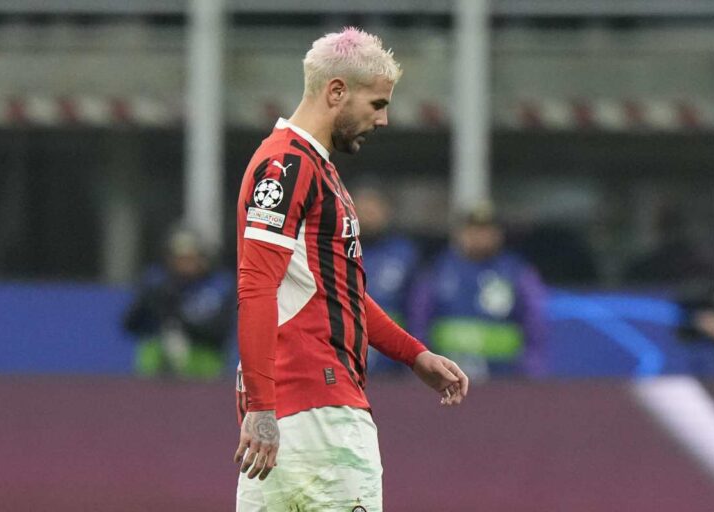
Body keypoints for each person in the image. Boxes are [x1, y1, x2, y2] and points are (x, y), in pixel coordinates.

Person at [233, 27, 469, 511]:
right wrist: (260, 406)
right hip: (318, 409)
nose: (382, 120)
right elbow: (256, 286)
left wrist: (414, 354)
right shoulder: (288, 166)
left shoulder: (313, 169)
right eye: (377, 104)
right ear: (336, 91)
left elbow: (337, 291)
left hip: (298, 409)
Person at [409, 202, 548, 381]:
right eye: (473, 230)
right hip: (447, 378)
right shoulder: (437, 270)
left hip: (504, 378)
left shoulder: (517, 273)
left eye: (487, 231)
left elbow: (536, 324)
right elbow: (418, 321)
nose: (480, 237)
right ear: (459, 233)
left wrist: (531, 372)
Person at [123, 225, 235, 380]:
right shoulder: (158, 283)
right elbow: (131, 325)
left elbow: (220, 331)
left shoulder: (219, 286)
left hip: (203, 360)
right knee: (151, 349)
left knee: (203, 357)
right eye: (178, 257)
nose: (184, 264)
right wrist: (149, 303)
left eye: (190, 257)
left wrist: (180, 319)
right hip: (160, 360)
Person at [352, 185, 421, 374]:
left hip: (391, 363)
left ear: (386, 211)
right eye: (363, 209)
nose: (369, 215)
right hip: (343, 358)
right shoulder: (337, 248)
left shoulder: (404, 254)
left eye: (374, 209)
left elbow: (417, 310)